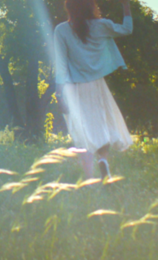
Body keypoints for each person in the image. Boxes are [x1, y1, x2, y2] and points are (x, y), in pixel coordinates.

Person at [53, 0, 133, 179]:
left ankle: (89, 178)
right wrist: (125, 6)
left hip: (75, 89)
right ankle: (103, 161)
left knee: (83, 131)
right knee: (102, 126)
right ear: (91, 6)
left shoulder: (61, 30)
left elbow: (61, 65)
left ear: (69, 7)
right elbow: (127, 29)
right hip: (97, 86)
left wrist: (59, 94)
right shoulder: (101, 26)